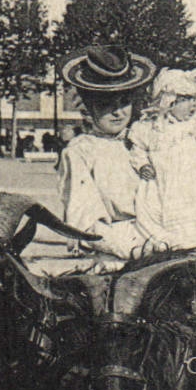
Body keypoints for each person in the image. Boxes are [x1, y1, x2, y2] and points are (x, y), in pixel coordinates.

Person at [56, 44, 158, 269]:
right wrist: (132, 249)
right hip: (116, 255)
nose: (118, 112)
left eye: (124, 103)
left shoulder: (141, 142)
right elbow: (86, 220)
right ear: (88, 108)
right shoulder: (80, 151)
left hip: (158, 242)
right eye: (106, 105)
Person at [126, 66, 196, 255]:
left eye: (193, 100)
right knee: (159, 210)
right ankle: (174, 243)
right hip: (163, 181)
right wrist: (142, 164)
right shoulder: (148, 128)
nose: (192, 106)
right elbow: (138, 150)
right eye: (185, 101)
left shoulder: (194, 124)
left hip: (194, 179)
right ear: (169, 101)